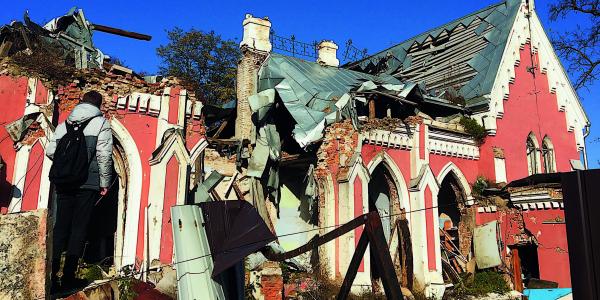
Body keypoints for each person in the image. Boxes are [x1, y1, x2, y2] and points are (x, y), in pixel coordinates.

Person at [46, 90, 113, 291]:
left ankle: (50, 277)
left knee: (60, 227)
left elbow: (51, 151)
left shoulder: (64, 124)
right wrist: (104, 182)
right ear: (99, 106)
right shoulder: (101, 124)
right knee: (79, 228)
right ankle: (68, 278)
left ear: (81, 102)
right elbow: (103, 154)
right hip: (88, 182)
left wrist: (68, 166)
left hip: (64, 182)